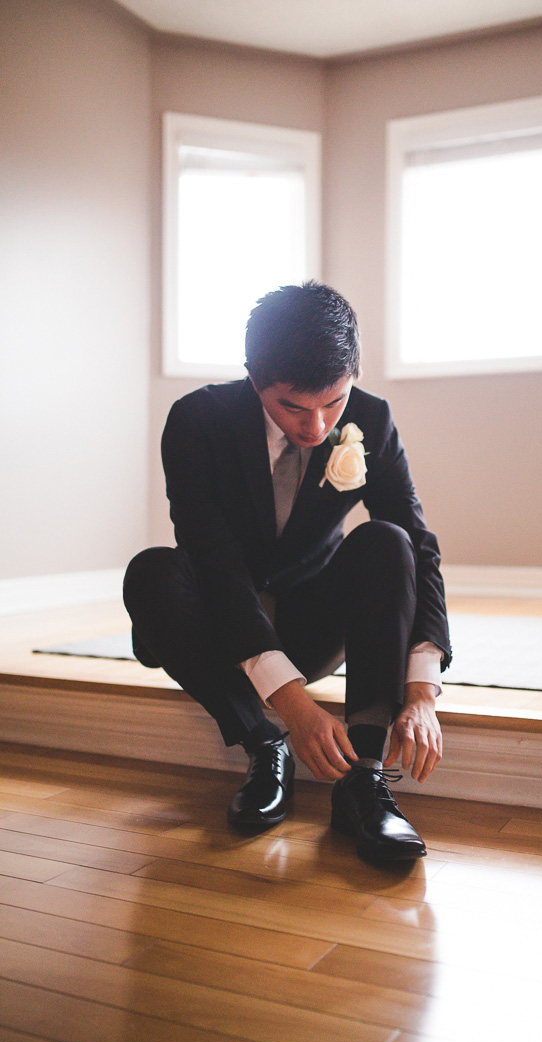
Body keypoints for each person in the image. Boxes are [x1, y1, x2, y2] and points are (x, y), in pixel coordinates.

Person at [123, 281, 451, 862]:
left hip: (310, 615)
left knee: (388, 541)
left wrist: (421, 690)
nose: (318, 427)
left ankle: (365, 778)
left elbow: (419, 544)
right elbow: (214, 562)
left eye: (334, 403)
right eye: (294, 407)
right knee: (151, 573)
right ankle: (262, 741)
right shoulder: (197, 421)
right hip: (225, 623)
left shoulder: (372, 419)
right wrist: (292, 708)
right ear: (255, 379)